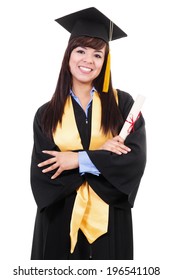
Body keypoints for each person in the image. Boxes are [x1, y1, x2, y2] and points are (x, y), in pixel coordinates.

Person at [30, 7, 146, 260]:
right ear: (68, 55)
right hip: (59, 220)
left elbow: (133, 161)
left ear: (105, 61)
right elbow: (43, 174)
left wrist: (77, 160)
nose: (88, 61)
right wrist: (102, 157)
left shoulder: (122, 105)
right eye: (80, 51)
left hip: (109, 223)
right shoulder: (46, 114)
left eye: (97, 54)